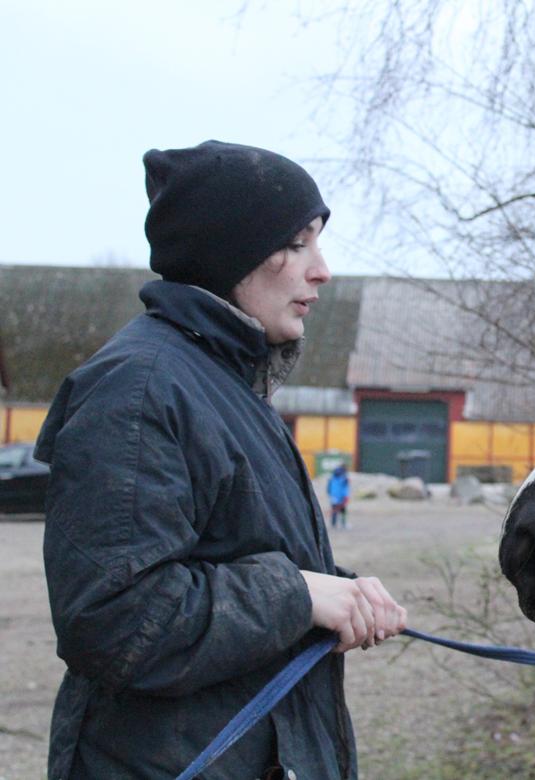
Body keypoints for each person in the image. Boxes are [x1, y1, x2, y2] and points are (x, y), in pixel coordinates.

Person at [36, 141, 406, 780]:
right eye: (297, 243)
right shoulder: (141, 388)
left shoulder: (226, 384)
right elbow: (117, 620)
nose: (321, 270)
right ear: (229, 252)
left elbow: (234, 552)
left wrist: (338, 589)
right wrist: (298, 595)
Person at [328, 463, 351, 529]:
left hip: (333, 496)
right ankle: (343, 524)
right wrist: (346, 496)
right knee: (343, 510)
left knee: (334, 510)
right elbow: (345, 488)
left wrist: (330, 494)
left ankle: (333, 524)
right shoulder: (344, 478)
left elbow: (329, 488)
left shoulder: (332, 477)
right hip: (341, 497)